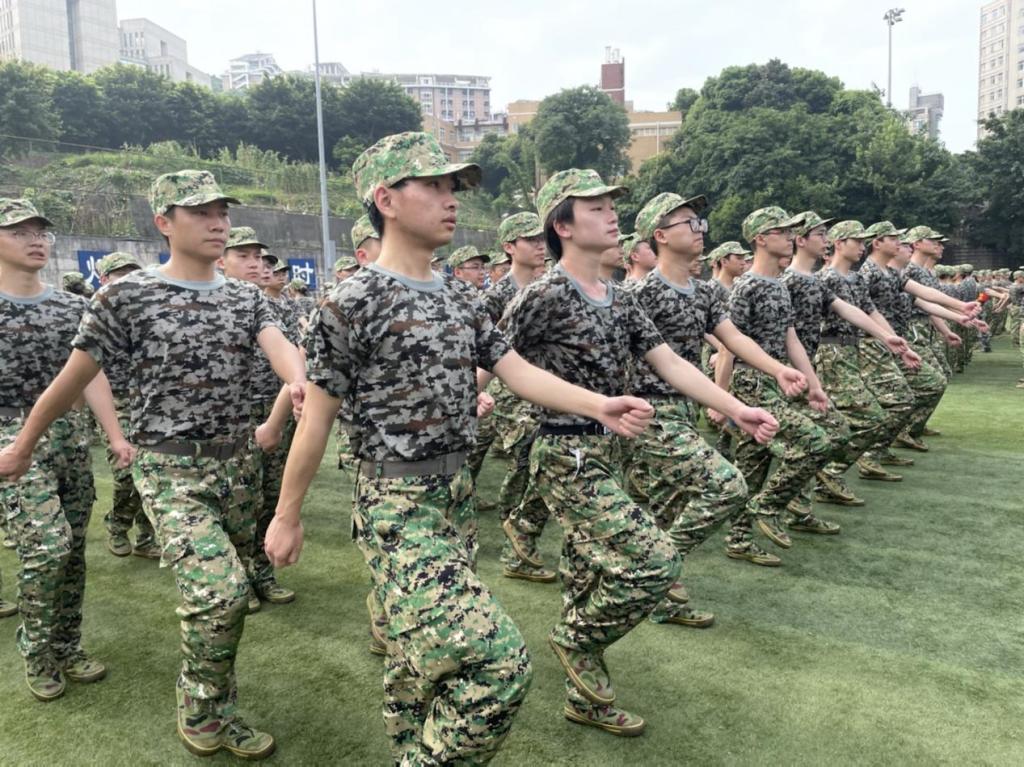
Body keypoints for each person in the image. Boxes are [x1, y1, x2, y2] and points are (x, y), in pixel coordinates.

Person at [264, 133, 660, 763]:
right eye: (434, 186)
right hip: (395, 504)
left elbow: (516, 371)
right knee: (498, 664)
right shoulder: (351, 302)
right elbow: (314, 420)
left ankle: (409, 747)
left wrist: (597, 404)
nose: (451, 199)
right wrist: (287, 515)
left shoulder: (459, 297)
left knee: (414, 654)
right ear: (386, 200)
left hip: (455, 500)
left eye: (453, 187)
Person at [0, 173, 306, 758]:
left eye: (222, 212)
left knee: (228, 599)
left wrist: (296, 381)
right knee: (219, 593)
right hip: (169, 472)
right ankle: (201, 707)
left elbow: (280, 346)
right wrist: (23, 444)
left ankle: (215, 704)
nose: (217, 223)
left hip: (237, 467)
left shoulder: (245, 298)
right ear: (164, 222)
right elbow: (74, 378)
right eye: (201, 213)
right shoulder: (127, 296)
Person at [499, 169, 778, 734]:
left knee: (585, 572)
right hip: (567, 454)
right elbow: (495, 357)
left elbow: (668, 362)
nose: (612, 215)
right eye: (596, 208)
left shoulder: (619, 299)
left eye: (612, 206)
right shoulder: (544, 295)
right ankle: (576, 639)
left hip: (615, 450)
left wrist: (736, 407)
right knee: (654, 562)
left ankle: (586, 700)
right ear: (563, 226)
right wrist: (475, 402)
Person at [626, 192, 807, 617]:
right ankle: (652, 567)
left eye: (700, 222)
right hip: (651, 412)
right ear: (660, 236)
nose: (699, 230)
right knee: (726, 485)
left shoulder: (703, 292)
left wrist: (777, 369)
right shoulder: (641, 293)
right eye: (689, 223)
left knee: (669, 507)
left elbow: (733, 338)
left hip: (686, 407)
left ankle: (660, 598)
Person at [0, 198, 132, 702]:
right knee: (46, 546)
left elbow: (89, 376)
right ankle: (36, 650)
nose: (35, 240)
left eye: (41, 232)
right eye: (20, 232)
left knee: (73, 550)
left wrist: (114, 436)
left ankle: (66, 645)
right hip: (11, 441)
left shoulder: (72, 308)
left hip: (69, 439)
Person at [716, 207, 837, 561]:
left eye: (791, 231)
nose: (789, 237)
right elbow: (727, 345)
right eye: (781, 231)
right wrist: (720, 400)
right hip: (750, 383)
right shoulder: (746, 286)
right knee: (815, 441)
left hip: (773, 381)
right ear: (760, 239)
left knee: (752, 465)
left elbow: (791, 338)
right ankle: (767, 506)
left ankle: (738, 539)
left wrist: (814, 384)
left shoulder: (780, 285)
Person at [94, 251, 158, 559]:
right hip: (114, 402)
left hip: (146, 403)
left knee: (151, 470)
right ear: (104, 279)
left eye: (134, 273)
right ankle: (117, 524)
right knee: (126, 471)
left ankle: (146, 536)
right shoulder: (96, 314)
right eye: (121, 274)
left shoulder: (146, 313)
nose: (129, 279)